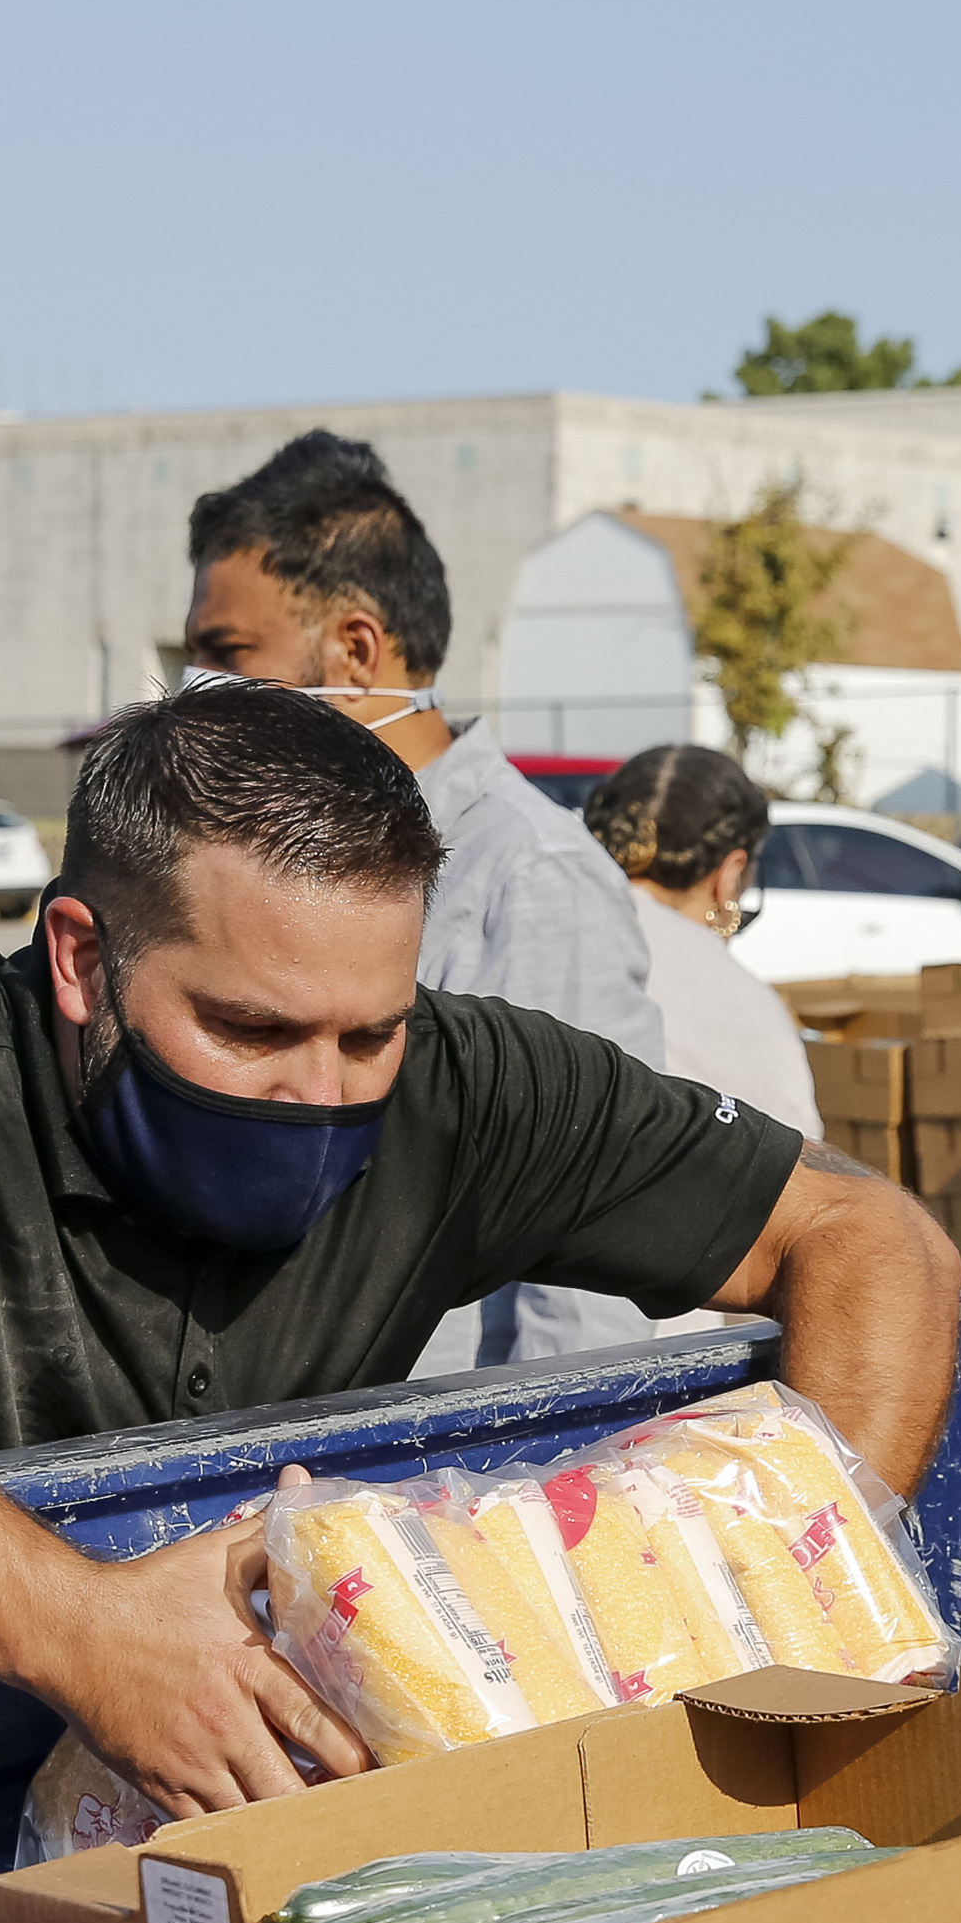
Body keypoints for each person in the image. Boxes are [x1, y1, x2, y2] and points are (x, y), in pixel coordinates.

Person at [0, 679, 961, 1818]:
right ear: (82, 959)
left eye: (368, 1033)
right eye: (252, 1029)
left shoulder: (467, 1086)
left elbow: (868, 1240)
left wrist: (783, 1604)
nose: (321, 1090)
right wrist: (76, 1631)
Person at [180, 431, 664, 1369]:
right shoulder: (276, 859)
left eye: (229, 653)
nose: (202, 692)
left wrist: (523, 1491)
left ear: (356, 649)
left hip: (430, 1480)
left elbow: (585, 1268)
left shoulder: (524, 874)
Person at [582, 743, 823, 1274]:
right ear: (730, 871)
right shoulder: (741, 1001)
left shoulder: (532, 924)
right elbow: (803, 1196)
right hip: (668, 1327)